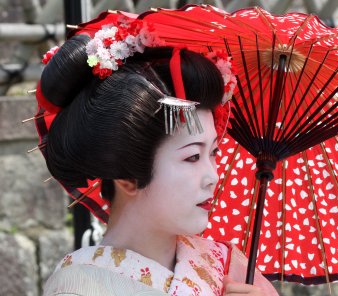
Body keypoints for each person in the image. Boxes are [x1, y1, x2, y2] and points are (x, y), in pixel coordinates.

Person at [36, 11, 278, 296]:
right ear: (127, 177)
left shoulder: (227, 266)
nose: (213, 177)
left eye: (213, 152)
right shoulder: (79, 288)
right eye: (192, 157)